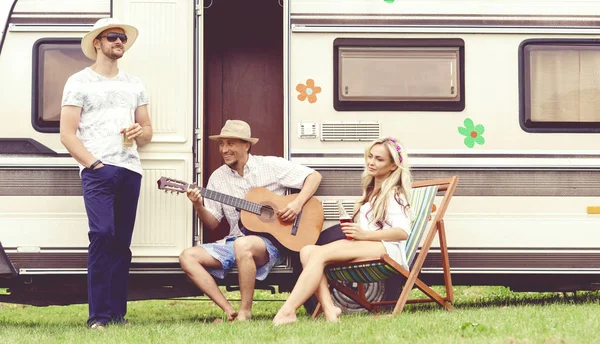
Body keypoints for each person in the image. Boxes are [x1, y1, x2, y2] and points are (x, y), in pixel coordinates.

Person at [59, 18, 153, 330]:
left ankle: (116, 315)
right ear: (97, 43)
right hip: (97, 171)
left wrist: (140, 131)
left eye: (123, 38)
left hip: (129, 169)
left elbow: (148, 131)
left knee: (121, 244)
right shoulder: (78, 82)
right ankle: (97, 317)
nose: (119, 42)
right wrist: (94, 165)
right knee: (101, 235)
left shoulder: (135, 84)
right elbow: (67, 134)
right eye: (113, 37)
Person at [179, 119, 322, 322]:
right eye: (221, 144)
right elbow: (212, 223)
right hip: (235, 240)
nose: (224, 149)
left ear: (246, 145)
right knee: (187, 256)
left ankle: (245, 311)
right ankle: (229, 310)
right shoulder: (217, 178)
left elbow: (314, 176)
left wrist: (297, 204)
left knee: (243, 244)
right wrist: (198, 205)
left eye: (230, 143)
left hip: (271, 243)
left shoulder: (270, 165)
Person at [273, 137, 413, 325]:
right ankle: (330, 310)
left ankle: (288, 311)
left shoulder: (394, 194)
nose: (371, 162)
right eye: (370, 156)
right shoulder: (372, 191)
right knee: (307, 251)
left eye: (379, 159)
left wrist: (364, 235)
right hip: (367, 244)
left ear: (392, 166)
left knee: (319, 255)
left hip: (386, 249)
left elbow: (402, 232)